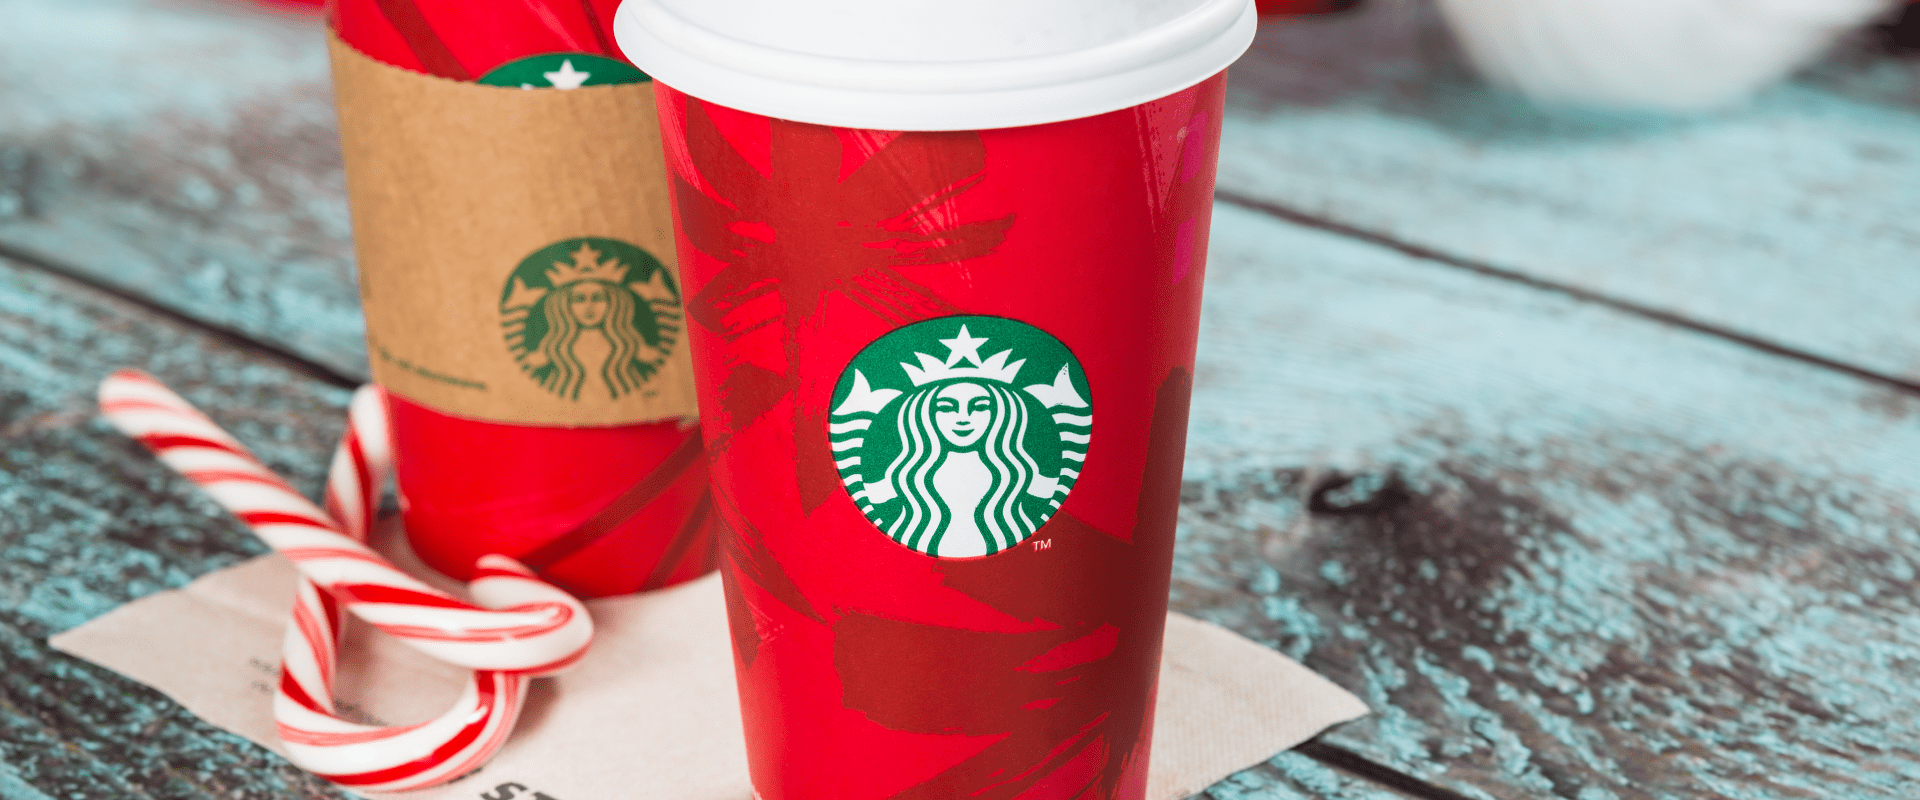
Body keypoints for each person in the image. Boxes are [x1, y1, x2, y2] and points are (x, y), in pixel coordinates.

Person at [867, 378, 1063, 557]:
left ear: (999, 414)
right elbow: (874, 499)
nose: (963, 418)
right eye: (946, 408)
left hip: (1019, 570)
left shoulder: (1019, 470)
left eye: (979, 407)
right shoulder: (904, 473)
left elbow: (1050, 495)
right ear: (926, 414)